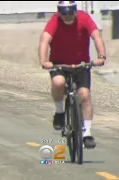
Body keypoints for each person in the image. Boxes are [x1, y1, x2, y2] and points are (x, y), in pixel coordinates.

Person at [39, 1, 106, 149]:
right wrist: (44, 61)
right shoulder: (54, 21)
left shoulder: (84, 18)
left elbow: (97, 37)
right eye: (64, 13)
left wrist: (101, 55)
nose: (67, 16)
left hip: (81, 64)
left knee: (85, 94)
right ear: (59, 13)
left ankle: (87, 133)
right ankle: (59, 113)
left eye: (70, 12)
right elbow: (44, 41)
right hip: (59, 64)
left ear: (75, 11)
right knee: (58, 83)